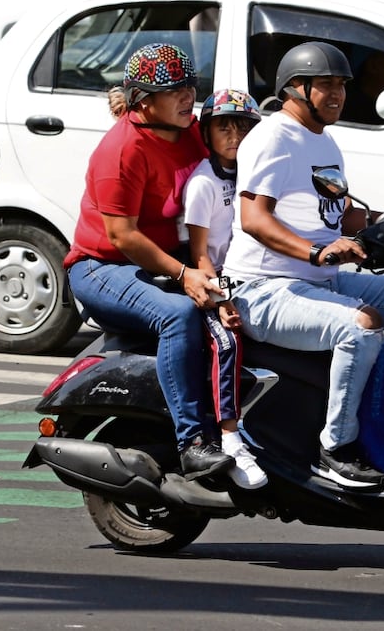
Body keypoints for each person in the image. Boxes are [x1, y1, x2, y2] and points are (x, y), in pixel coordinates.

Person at [224, 41, 384, 489]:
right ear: (295, 88)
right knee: (361, 326)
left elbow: (338, 215)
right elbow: (253, 218)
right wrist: (314, 252)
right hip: (262, 289)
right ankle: (335, 447)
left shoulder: (324, 141)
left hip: (318, 279)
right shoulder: (273, 138)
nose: (337, 94)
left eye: (341, 85)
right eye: (325, 85)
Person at [64, 43, 234, 481]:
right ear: (144, 100)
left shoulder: (192, 131)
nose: (187, 97)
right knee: (179, 316)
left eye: (190, 86)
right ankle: (194, 442)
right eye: (174, 90)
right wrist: (183, 274)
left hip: (169, 259)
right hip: (102, 267)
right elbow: (122, 236)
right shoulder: (121, 150)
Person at [179, 88, 267, 489]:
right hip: (211, 284)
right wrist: (221, 300)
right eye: (224, 128)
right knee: (227, 343)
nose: (234, 137)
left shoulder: (254, 175)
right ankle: (231, 436)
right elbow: (200, 254)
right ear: (207, 134)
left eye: (243, 128)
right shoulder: (204, 183)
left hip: (252, 277)